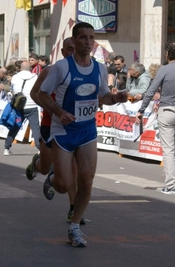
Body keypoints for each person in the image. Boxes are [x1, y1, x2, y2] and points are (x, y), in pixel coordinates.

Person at [38, 22, 128, 247]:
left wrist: (115, 99)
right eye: (83, 38)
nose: (88, 42)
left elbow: (104, 96)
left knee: (86, 181)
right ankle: (52, 178)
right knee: (63, 184)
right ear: (75, 40)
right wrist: (59, 111)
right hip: (63, 131)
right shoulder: (61, 67)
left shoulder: (99, 68)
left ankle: (75, 226)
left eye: (91, 38)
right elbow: (42, 94)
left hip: (87, 131)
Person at [27, 37, 88, 225]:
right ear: (62, 52)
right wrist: (53, 109)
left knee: (74, 170)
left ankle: (73, 210)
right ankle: (37, 165)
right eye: (69, 49)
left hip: (73, 126)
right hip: (50, 123)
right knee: (45, 167)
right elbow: (34, 94)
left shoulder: (85, 72)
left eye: (74, 48)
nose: (72, 52)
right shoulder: (50, 71)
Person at [135, 40, 175, 195]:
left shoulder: (164, 69)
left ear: (167, 54)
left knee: (168, 150)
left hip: (167, 109)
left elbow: (150, 91)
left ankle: (172, 185)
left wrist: (141, 110)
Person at [4, 61, 40, 155]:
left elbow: (12, 90)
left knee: (15, 126)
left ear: (20, 68)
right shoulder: (35, 77)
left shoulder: (15, 77)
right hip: (32, 105)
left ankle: (6, 148)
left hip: (19, 105)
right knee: (35, 128)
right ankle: (40, 148)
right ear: (30, 68)